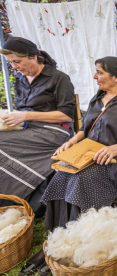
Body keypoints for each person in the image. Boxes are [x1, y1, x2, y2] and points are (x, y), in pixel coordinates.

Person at [19, 56, 117, 276]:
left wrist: (116, 148)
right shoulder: (98, 98)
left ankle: (78, 244)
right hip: (89, 153)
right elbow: (86, 129)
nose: (94, 76)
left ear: (115, 76)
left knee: (82, 179)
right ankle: (56, 242)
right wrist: (71, 141)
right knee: (60, 174)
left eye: (99, 72)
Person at [0, 37, 75, 217]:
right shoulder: (20, 79)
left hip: (55, 132)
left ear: (33, 56)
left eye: (17, 61)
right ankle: (7, 200)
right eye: (11, 63)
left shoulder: (58, 78)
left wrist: (25, 115)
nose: (14, 67)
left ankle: (16, 199)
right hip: (29, 129)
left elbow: (66, 115)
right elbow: (21, 109)